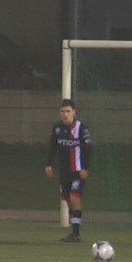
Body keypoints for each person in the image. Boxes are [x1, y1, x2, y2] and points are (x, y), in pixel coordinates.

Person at [45, 98, 92, 242]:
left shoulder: (81, 128)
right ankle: (74, 231)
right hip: (64, 172)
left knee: (74, 198)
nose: (65, 114)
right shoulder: (57, 128)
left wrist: (85, 168)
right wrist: (49, 164)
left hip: (77, 171)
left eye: (68, 111)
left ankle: (76, 234)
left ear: (74, 112)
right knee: (67, 200)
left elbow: (88, 149)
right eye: (62, 111)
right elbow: (53, 146)